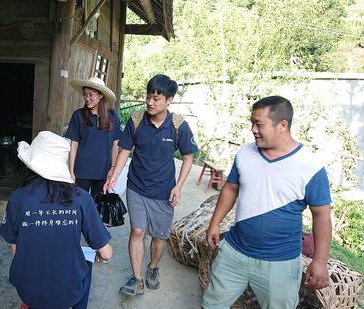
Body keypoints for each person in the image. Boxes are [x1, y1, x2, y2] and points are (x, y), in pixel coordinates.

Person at [202, 96, 332, 309]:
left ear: (283, 125)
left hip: (280, 263)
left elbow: (322, 215)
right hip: (234, 253)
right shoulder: (245, 153)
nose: (253, 129)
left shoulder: (310, 166)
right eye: (252, 122)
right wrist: (214, 223)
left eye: (259, 124)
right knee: (211, 305)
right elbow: (231, 187)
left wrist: (319, 261)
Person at [103, 74, 198, 296]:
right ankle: (136, 279)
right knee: (137, 231)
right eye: (148, 97)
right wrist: (115, 175)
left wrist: (179, 186)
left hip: (164, 191)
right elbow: (125, 150)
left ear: (169, 100)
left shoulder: (178, 125)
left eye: (156, 98)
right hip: (136, 186)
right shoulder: (136, 120)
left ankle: (153, 266)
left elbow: (188, 158)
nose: (150, 102)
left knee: (160, 236)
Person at [0, 131, 113, 309]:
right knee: (85, 265)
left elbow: (15, 249)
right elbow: (106, 253)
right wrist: (101, 256)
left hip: (27, 289)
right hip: (68, 291)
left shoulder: (18, 198)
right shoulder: (82, 198)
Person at [66, 77, 121, 198]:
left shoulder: (112, 116)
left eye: (91, 94)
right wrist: (71, 172)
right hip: (81, 171)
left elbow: (115, 145)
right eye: (85, 94)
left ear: (101, 95)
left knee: (99, 209)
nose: (87, 98)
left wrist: (113, 168)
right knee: (80, 206)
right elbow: (73, 145)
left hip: (103, 172)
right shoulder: (78, 115)